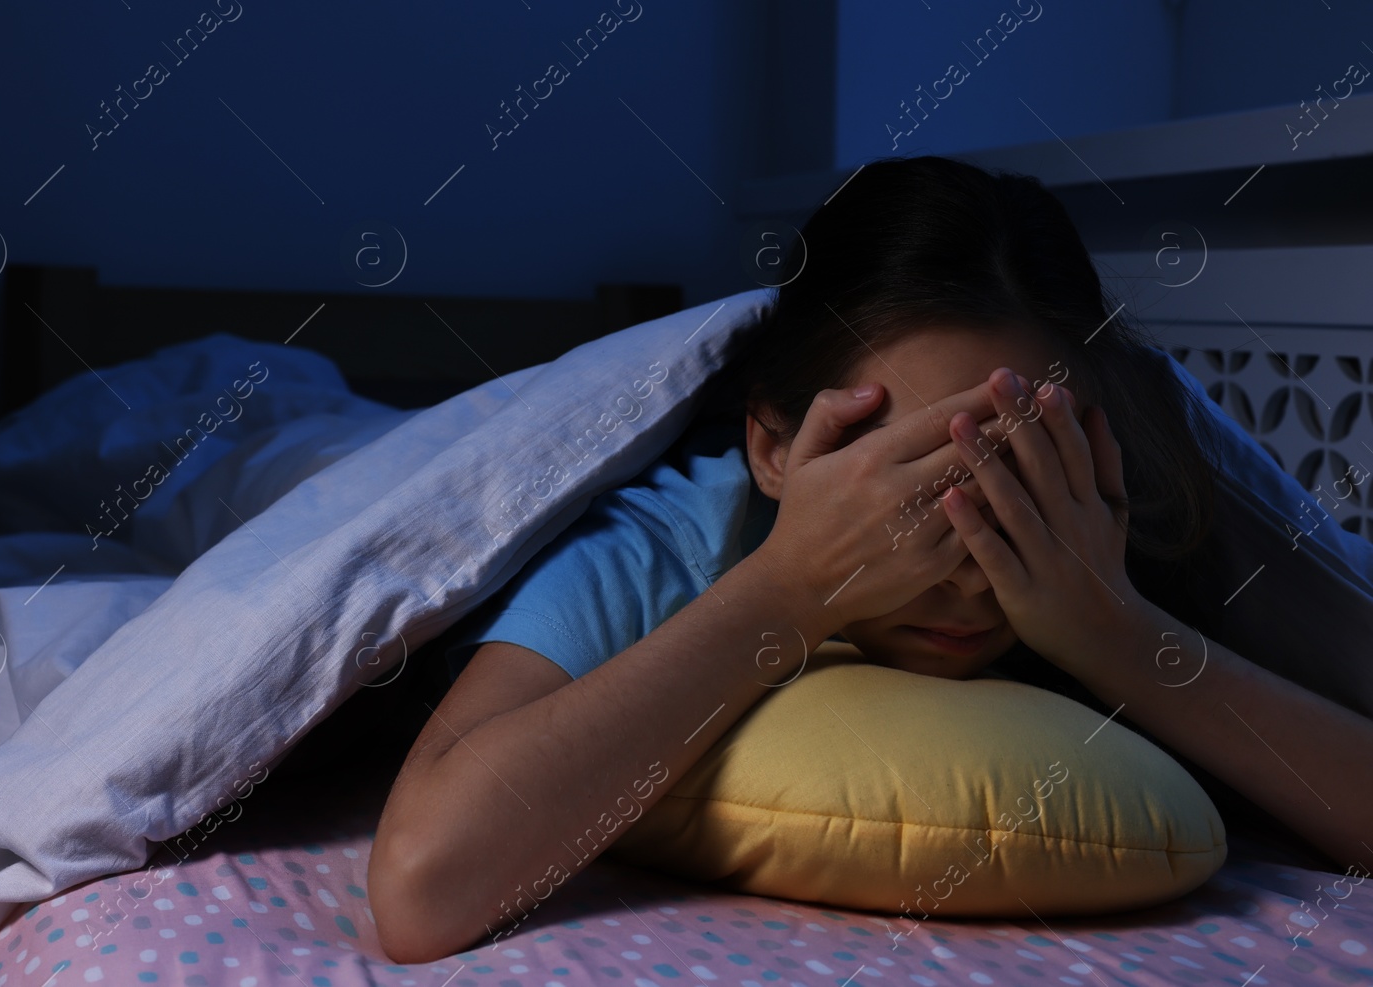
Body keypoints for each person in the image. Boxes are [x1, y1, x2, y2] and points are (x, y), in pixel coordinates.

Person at [365, 156, 1373, 963]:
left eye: (1014, 483)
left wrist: (1112, 627)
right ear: (772, 445)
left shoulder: (1095, 526)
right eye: (914, 487)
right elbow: (423, 887)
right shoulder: (669, 548)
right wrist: (791, 586)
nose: (968, 568)